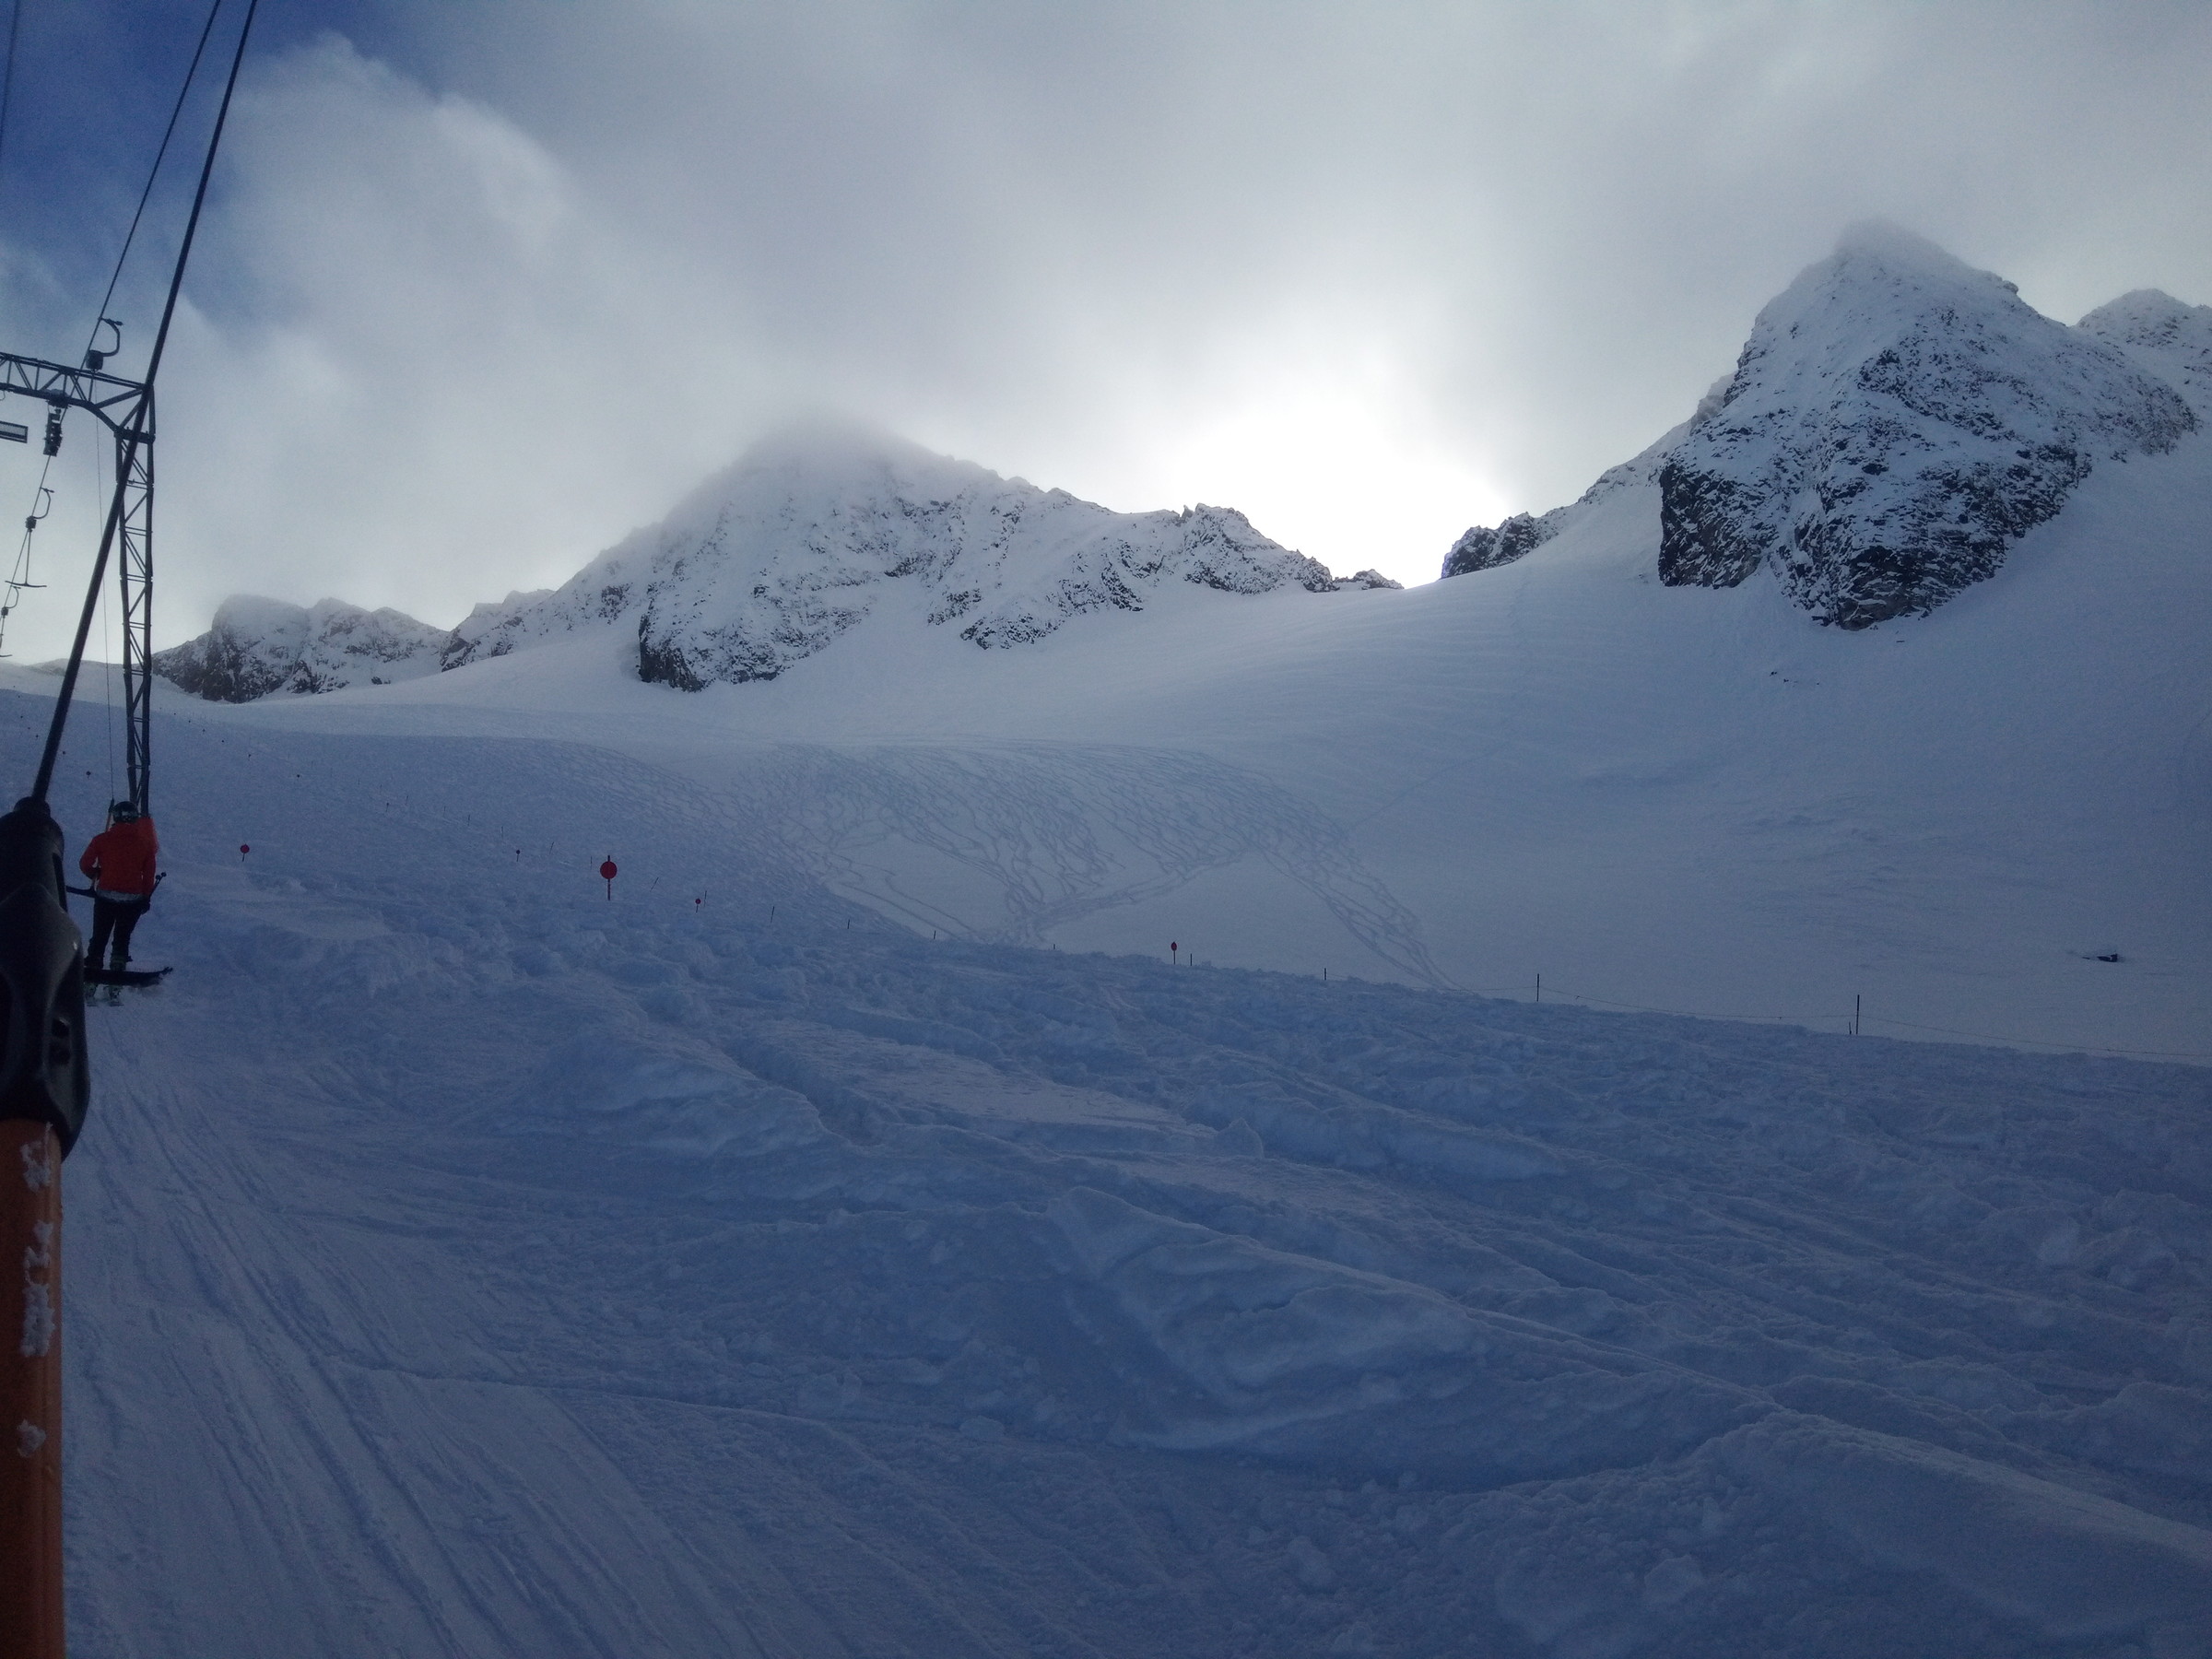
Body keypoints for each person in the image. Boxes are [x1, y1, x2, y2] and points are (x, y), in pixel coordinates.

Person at [79, 799, 159, 971]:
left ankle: (93, 963)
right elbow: (149, 875)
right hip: (132, 900)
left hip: (105, 896)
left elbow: (85, 863)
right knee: (123, 936)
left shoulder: (101, 840)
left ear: (115, 817)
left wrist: (95, 874)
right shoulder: (146, 844)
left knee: (100, 934)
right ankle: (118, 964)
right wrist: (145, 897)